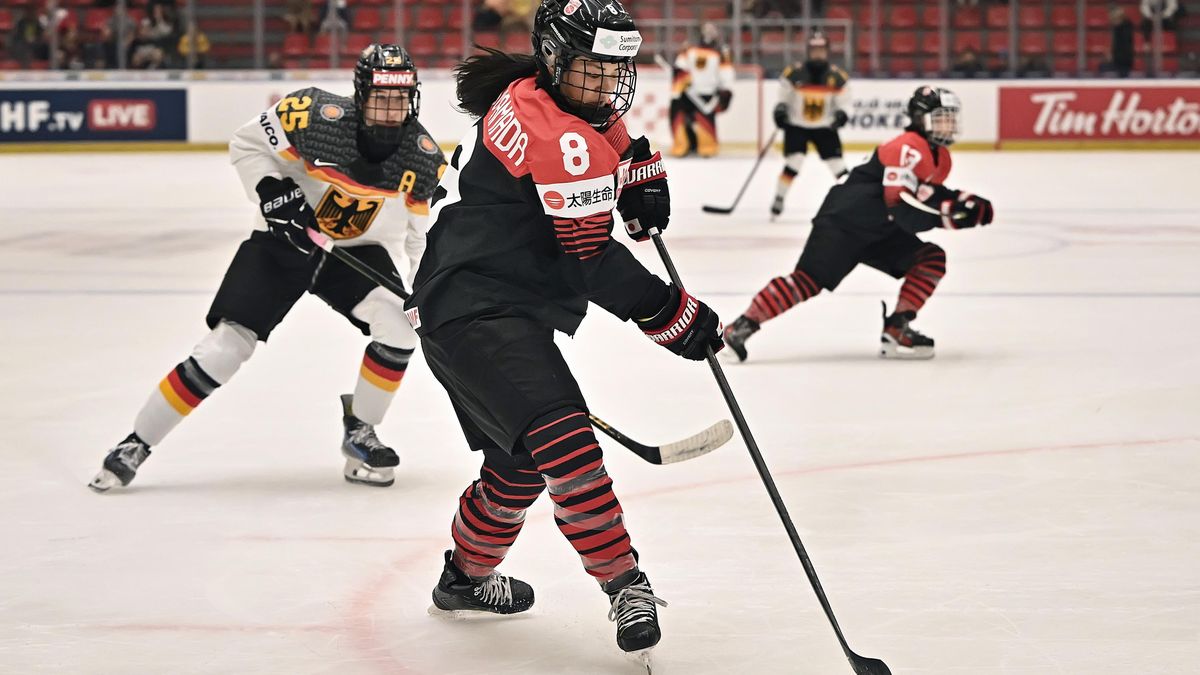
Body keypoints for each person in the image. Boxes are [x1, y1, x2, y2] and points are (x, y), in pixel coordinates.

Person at [404, 0, 724, 659]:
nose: (607, 85)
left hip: (481, 296)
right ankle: (624, 583)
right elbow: (590, 261)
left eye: (616, 70)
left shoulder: (542, 93)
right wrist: (673, 315)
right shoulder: (556, 131)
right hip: (476, 306)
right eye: (592, 71)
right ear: (554, 59)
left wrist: (640, 169)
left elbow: (610, 131)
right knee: (566, 442)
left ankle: (464, 576)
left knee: (519, 466)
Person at [88, 44, 445, 492]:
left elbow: (418, 236)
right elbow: (246, 143)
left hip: (354, 251)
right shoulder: (313, 115)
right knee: (225, 348)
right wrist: (274, 190)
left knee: (399, 326)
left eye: (400, 97)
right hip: (283, 243)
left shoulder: (422, 157)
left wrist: (423, 287)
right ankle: (136, 443)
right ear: (360, 94)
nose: (391, 109)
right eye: (381, 96)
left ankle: (361, 430)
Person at [724, 86, 995, 362]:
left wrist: (962, 200)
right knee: (806, 282)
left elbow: (926, 193)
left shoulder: (937, 156)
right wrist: (948, 216)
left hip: (879, 228)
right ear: (919, 118)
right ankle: (740, 327)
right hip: (844, 223)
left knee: (931, 259)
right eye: (940, 118)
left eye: (950, 118)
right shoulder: (908, 147)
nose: (947, 125)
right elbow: (902, 207)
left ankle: (896, 329)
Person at [770, 32, 849, 218]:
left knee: (838, 166)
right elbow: (783, 97)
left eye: (821, 50)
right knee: (793, 162)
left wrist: (842, 114)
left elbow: (845, 102)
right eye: (814, 50)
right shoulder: (794, 73)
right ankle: (779, 197)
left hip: (825, 127)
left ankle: (854, 200)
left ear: (827, 51)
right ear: (808, 51)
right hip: (797, 125)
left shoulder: (837, 77)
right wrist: (780, 110)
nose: (818, 54)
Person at [668, 21, 734, 158]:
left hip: (708, 94)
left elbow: (726, 73)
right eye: (706, 30)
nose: (708, 34)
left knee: (706, 122)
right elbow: (680, 66)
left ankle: (707, 147)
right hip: (687, 93)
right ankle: (681, 146)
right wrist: (683, 80)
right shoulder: (689, 49)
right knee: (676, 112)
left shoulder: (721, 52)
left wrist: (725, 91)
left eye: (712, 31)